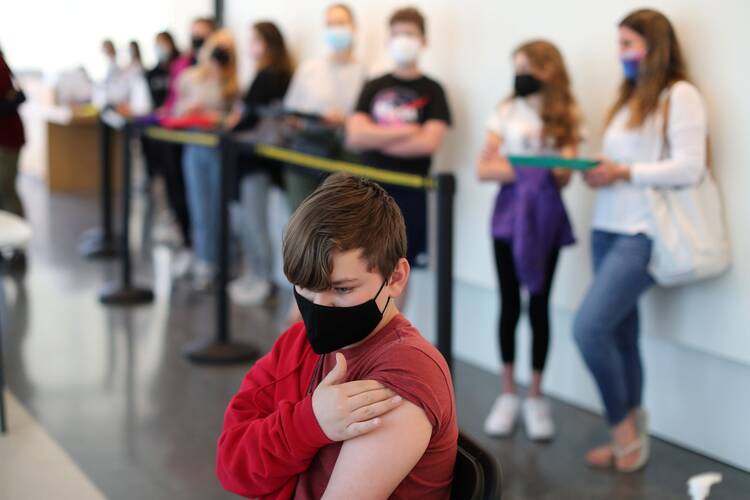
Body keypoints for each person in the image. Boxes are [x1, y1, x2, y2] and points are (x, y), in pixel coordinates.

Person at [217, 173, 457, 499]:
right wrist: (310, 422)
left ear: (395, 278)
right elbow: (232, 467)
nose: (320, 307)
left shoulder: (405, 373)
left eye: (342, 289)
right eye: (306, 286)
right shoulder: (298, 342)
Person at [573, 8, 708, 472]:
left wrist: (625, 171)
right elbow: (622, 164)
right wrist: (601, 172)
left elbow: (690, 167)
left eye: (628, 44)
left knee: (587, 328)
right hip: (607, 226)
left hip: (642, 232)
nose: (621, 54)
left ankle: (623, 433)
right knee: (620, 334)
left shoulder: (680, 95)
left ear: (654, 46)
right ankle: (631, 435)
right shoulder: (628, 99)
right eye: (619, 45)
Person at [477, 40, 583, 441]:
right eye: (515, 66)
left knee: (539, 304)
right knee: (508, 302)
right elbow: (484, 167)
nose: (519, 74)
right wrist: (533, 167)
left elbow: (566, 173)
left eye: (525, 66)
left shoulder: (566, 114)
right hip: (507, 216)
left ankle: (536, 395)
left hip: (547, 219)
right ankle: (507, 393)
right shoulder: (505, 111)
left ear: (548, 69)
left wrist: (520, 166)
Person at [346, 6, 452, 307]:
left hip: (411, 194)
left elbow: (429, 144)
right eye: (397, 34)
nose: (403, 40)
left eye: (410, 34)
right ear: (387, 40)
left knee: (397, 270)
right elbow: (355, 136)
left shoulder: (433, 90)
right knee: (362, 263)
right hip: (369, 193)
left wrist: (377, 136)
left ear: (423, 41)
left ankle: (390, 342)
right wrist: (408, 131)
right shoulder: (374, 85)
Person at [225, 21, 294, 306]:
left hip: (256, 160)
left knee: (254, 222)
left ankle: (261, 278)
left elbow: (250, 117)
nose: (251, 46)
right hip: (249, 159)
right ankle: (255, 274)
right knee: (249, 220)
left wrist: (229, 125)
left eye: (255, 40)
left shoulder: (272, 75)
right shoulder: (268, 74)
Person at [283, 3, 368, 210]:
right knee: (303, 225)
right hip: (306, 153)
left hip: (346, 159)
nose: (336, 28)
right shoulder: (309, 69)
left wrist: (345, 121)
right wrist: (308, 122)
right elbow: (289, 114)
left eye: (341, 23)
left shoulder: (366, 73)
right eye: (330, 24)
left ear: (354, 27)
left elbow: (367, 122)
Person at [176, 30, 239, 290]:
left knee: (218, 207)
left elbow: (234, 118)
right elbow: (176, 108)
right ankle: (203, 259)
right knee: (199, 204)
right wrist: (189, 110)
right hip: (194, 144)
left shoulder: (232, 84)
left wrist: (213, 117)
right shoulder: (190, 77)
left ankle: (223, 259)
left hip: (219, 147)